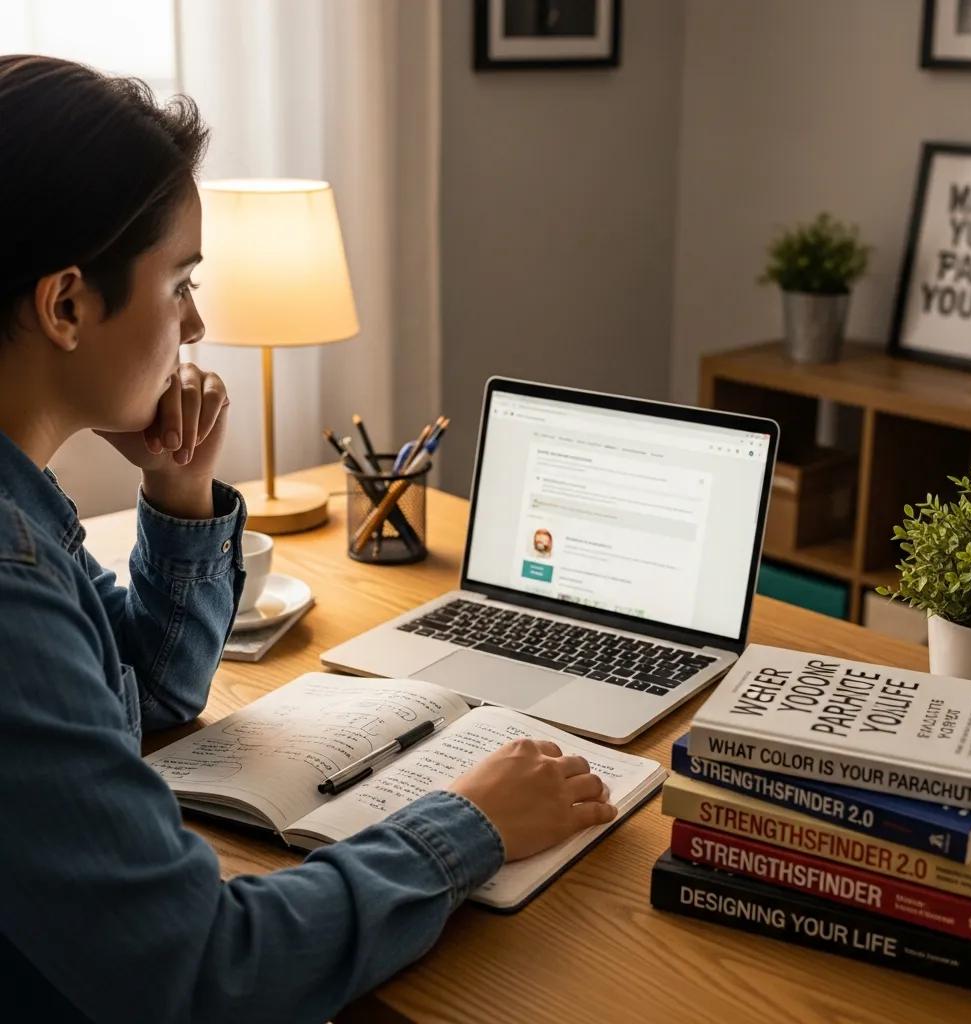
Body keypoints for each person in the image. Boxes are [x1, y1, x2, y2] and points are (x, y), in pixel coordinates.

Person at [0, 55, 616, 1023]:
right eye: (179, 284)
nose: (195, 325)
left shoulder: (21, 512)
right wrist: (471, 821)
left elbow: (149, 692)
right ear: (67, 303)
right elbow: (205, 973)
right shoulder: (8, 578)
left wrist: (179, 484)